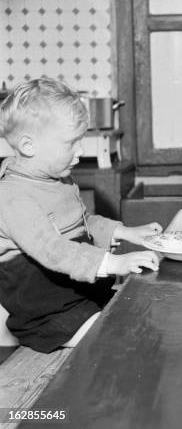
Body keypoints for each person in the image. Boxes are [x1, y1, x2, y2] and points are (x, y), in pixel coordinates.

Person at [0, 78, 161, 353]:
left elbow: (82, 223)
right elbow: (54, 249)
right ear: (28, 146)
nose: (81, 151)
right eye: (71, 143)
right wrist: (112, 263)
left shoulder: (58, 180)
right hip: (47, 312)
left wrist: (124, 232)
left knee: (143, 316)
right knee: (119, 343)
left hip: (78, 294)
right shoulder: (12, 197)